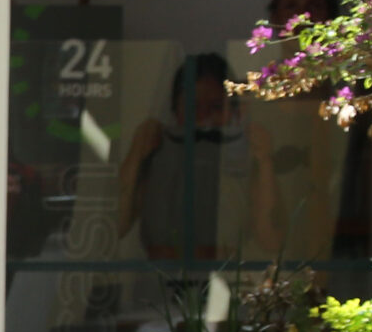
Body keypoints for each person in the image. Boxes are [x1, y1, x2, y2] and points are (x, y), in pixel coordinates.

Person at [117, 54, 279, 262]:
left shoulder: (245, 156)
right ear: (175, 108)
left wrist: (265, 161)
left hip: (222, 281)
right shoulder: (157, 151)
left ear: (234, 111)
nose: (203, 118)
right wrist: (136, 153)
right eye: (193, 107)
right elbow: (116, 226)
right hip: (160, 283)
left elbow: (271, 240)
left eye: (216, 107)